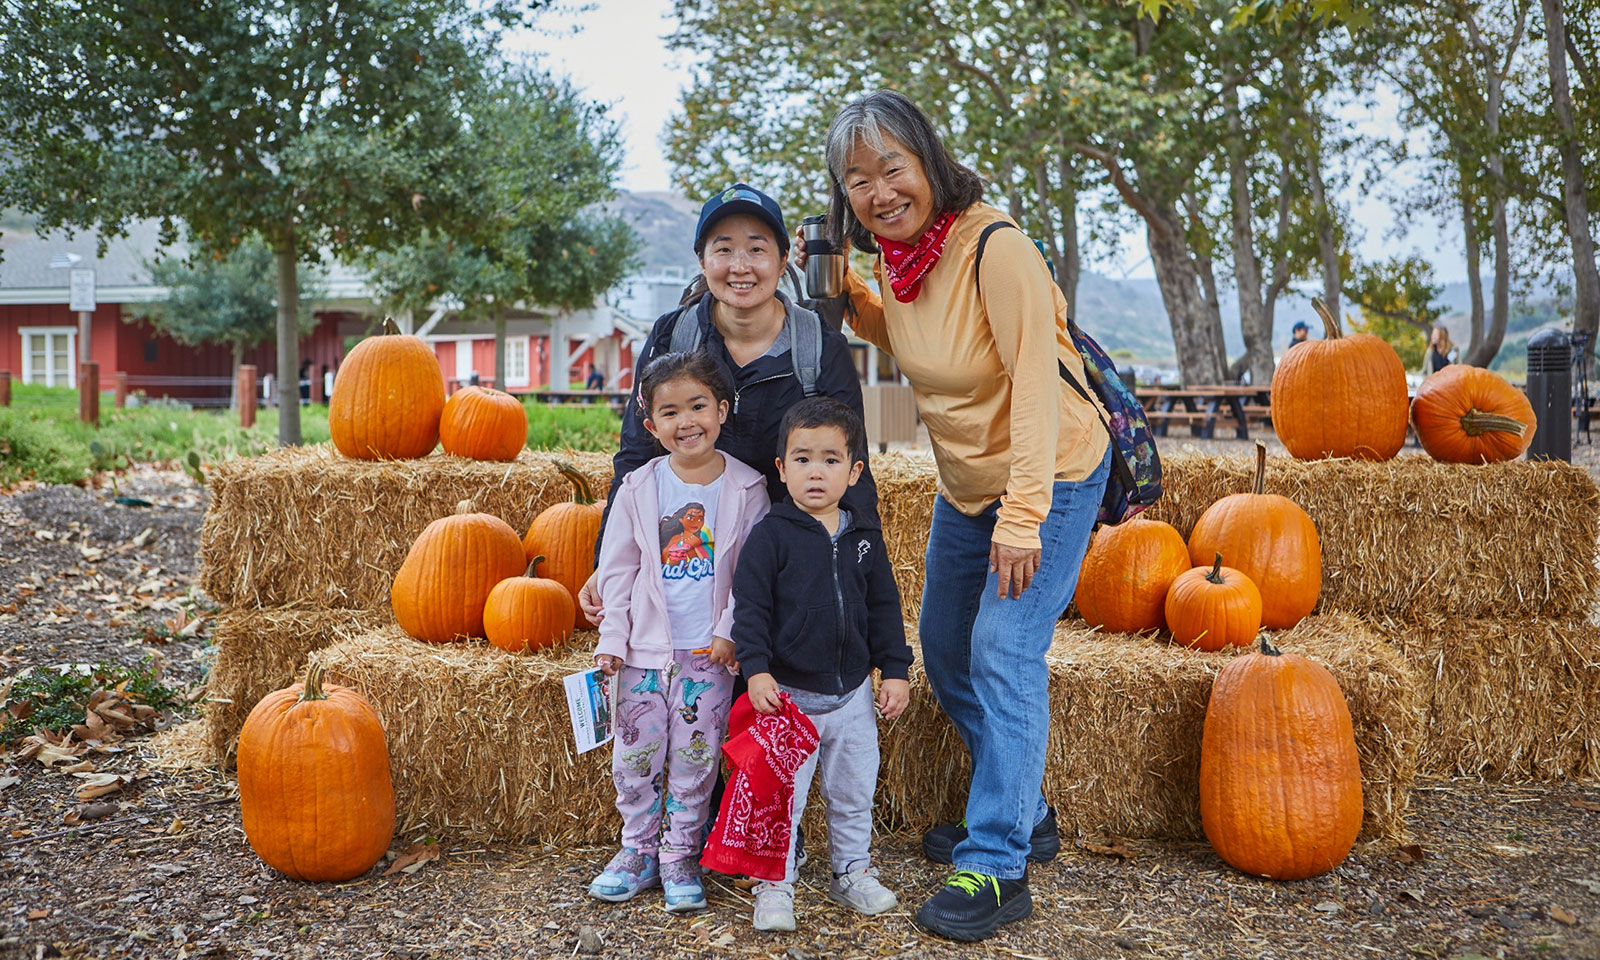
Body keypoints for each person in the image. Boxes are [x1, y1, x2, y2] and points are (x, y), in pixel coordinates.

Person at [798, 90, 1110, 941]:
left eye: (892, 168)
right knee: (943, 647)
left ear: (927, 162)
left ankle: (999, 863)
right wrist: (842, 292)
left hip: (1050, 476)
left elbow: (1038, 385)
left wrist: (1024, 516)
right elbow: (918, 346)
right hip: (969, 485)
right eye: (857, 180)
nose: (879, 191)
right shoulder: (905, 265)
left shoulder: (994, 248)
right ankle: (1024, 806)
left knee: (1003, 650)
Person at [579, 182, 876, 623]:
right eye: (723, 250)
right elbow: (635, 459)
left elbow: (853, 472)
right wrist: (609, 560)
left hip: (787, 568)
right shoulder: (672, 337)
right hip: (685, 568)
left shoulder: (819, 348)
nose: (740, 267)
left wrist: (858, 582)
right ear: (702, 261)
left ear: (780, 262)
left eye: (757, 249)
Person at [588, 350, 771, 913]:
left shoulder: (746, 488)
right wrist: (613, 640)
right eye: (670, 412)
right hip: (643, 653)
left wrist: (729, 631)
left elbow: (753, 575)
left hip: (707, 658)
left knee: (696, 760)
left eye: (697, 406)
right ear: (651, 425)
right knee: (634, 757)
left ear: (722, 410)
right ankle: (638, 850)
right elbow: (618, 569)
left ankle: (679, 854)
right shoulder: (641, 487)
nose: (685, 421)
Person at [726, 397, 911, 932]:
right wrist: (756, 668)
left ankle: (851, 871)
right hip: (789, 700)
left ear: (854, 471)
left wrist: (894, 669)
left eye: (831, 459)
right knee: (782, 801)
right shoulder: (772, 536)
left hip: (852, 697)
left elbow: (883, 607)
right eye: (802, 459)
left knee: (854, 792)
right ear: (781, 469)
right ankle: (775, 885)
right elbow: (751, 608)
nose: (815, 471)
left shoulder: (862, 538)